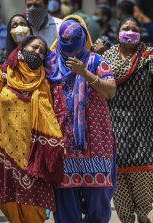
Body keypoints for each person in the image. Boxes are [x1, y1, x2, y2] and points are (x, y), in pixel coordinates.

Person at [0, 36, 64, 223]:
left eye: (42, 51)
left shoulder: (47, 78)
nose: (37, 52)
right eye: (34, 47)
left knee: (35, 205)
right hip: (6, 150)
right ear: (21, 48)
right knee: (10, 204)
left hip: (36, 153)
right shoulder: (2, 73)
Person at [102, 16, 153, 223]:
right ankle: (126, 219)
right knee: (120, 178)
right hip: (115, 128)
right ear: (118, 33)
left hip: (146, 129)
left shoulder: (149, 56)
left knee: (145, 176)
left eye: (134, 29)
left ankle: (143, 217)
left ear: (140, 33)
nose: (130, 31)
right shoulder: (106, 58)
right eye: (125, 28)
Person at [44, 15, 117, 223]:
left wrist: (84, 72)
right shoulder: (49, 64)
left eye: (74, 40)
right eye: (64, 41)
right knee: (65, 202)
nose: (68, 45)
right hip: (62, 143)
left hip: (95, 142)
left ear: (84, 38)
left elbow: (110, 91)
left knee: (99, 200)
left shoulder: (96, 61)